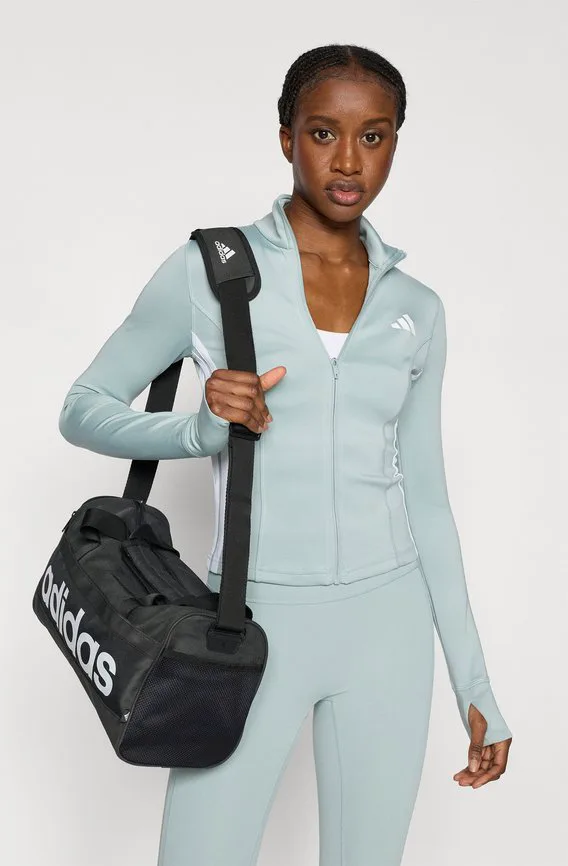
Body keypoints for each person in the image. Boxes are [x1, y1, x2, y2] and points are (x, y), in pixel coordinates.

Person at [58, 44, 513, 866]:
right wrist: (198, 431)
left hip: (389, 629)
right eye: (323, 133)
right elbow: (82, 409)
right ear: (286, 139)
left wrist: (473, 685)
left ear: (396, 142)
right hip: (248, 622)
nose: (349, 161)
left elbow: (428, 497)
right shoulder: (212, 270)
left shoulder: (417, 308)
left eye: (374, 136)